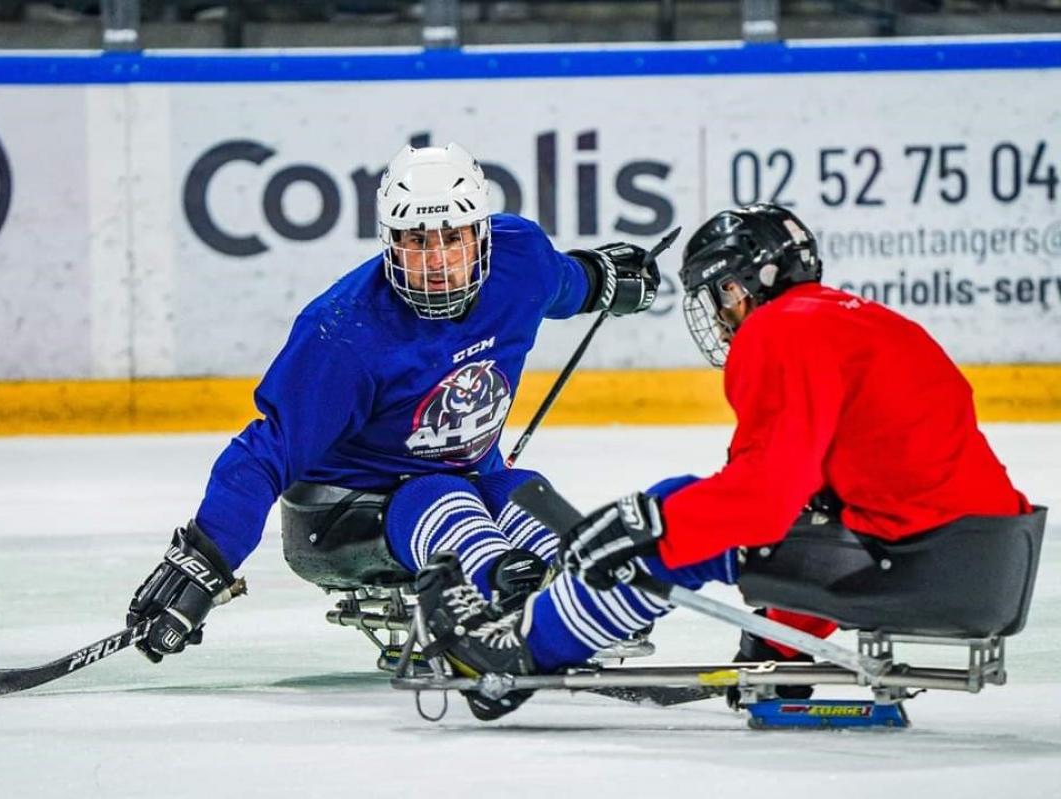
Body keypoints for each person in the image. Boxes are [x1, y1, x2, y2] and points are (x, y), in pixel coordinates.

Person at [415, 202, 1034, 719]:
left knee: (675, 524)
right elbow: (816, 502)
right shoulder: (866, 322)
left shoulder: (781, 331)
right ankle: (779, 653)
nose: (718, 313)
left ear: (739, 286)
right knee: (689, 514)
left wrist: (645, 522)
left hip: (915, 562)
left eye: (718, 294)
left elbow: (763, 500)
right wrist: (779, 648)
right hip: (988, 564)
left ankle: (516, 651)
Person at [122, 142, 664, 710]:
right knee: (444, 492)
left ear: (481, 234)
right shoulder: (346, 330)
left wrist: (605, 280)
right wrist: (205, 559)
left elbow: (563, 282)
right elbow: (266, 451)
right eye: (415, 242)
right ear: (390, 241)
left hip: (471, 480)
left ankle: (582, 594)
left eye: (452, 238)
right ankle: (498, 605)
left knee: (521, 491)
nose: (435, 260)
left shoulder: (519, 259)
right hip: (340, 514)